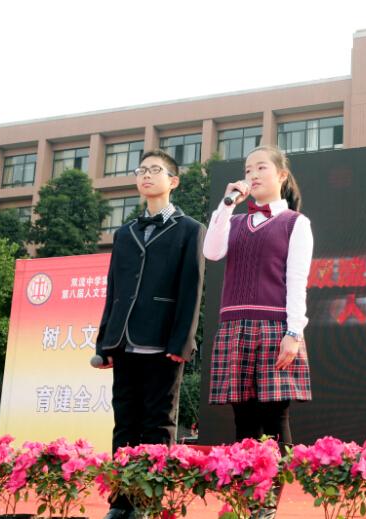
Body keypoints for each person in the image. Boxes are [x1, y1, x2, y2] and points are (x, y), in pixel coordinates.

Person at [95, 149, 205, 519]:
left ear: (173, 181)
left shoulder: (190, 230)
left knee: (158, 423)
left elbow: (191, 290)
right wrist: (104, 342)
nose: (146, 175)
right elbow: (113, 289)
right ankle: (120, 502)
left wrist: (182, 341)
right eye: (141, 170)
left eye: (155, 170)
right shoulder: (124, 233)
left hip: (163, 342)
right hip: (123, 340)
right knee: (124, 422)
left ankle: (149, 502)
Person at [204, 144, 313, 518]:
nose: (252, 175)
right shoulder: (234, 221)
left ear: (281, 175)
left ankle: (267, 505)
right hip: (235, 327)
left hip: (274, 327)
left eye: (261, 168)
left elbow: (297, 281)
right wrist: (226, 205)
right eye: (248, 169)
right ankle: (248, 500)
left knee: (274, 419)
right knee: (244, 420)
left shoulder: (295, 223)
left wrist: (294, 333)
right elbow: (212, 252)